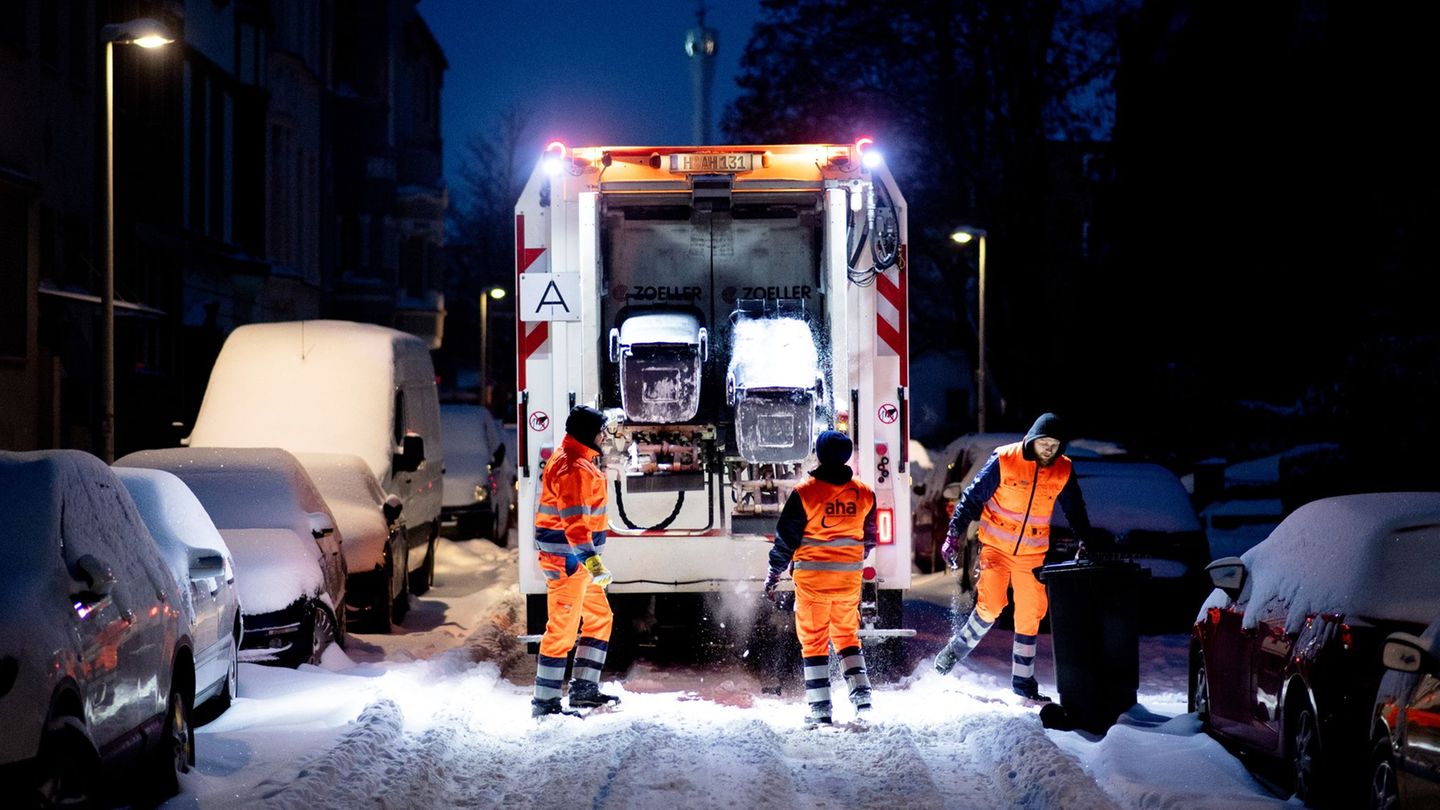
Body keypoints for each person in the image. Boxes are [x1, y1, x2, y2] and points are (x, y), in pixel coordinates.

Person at [935, 412, 1093, 703]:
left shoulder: (1063, 469)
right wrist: (954, 534)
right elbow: (972, 497)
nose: (1049, 450)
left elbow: (1075, 509)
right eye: (1044, 443)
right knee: (991, 606)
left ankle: (1023, 683)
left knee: (1031, 614)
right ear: (1032, 440)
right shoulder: (1005, 459)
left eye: (1054, 445)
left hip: (1032, 555)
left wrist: (1086, 538)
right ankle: (954, 652)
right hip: (996, 548)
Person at [764, 430, 877, 726]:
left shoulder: (805, 493)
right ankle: (863, 699)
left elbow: (785, 540)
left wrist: (774, 573)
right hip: (848, 584)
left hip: (813, 583)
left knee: (814, 642)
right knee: (847, 637)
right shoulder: (865, 494)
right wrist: (849, 560)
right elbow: (869, 539)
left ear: (819, 454)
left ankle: (820, 710)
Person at [531, 405, 621, 717]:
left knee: (599, 618)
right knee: (562, 631)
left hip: (576, 563)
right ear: (587, 434)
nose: (604, 437)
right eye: (600, 431)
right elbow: (574, 523)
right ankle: (546, 704)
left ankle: (584, 691)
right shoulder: (574, 468)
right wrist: (591, 561)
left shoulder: (574, 460)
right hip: (569, 563)